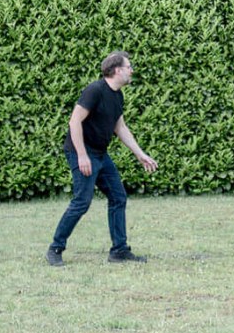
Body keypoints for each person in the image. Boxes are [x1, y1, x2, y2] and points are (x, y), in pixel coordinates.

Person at [46, 50, 159, 266]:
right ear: (117, 70)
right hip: (81, 151)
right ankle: (55, 249)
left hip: (100, 153)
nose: (132, 71)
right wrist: (82, 156)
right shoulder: (95, 90)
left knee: (118, 196)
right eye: (128, 67)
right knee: (82, 202)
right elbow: (74, 122)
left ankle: (119, 251)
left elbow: (120, 127)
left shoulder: (117, 96)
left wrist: (140, 154)